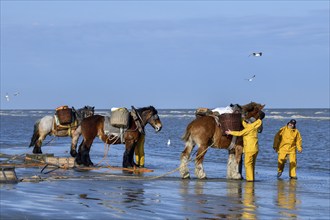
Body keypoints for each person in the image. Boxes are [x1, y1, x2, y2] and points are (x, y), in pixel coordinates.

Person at [225, 117, 262, 182]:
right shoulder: (255, 127)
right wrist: (242, 120)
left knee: (248, 164)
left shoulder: (248, 129)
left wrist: (230, 132)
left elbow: (240, 133)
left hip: (249, 150)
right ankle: (252, 178)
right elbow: (254, 123)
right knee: (252, 164)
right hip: (255, 149)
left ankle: (250, 180)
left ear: (249, 123)